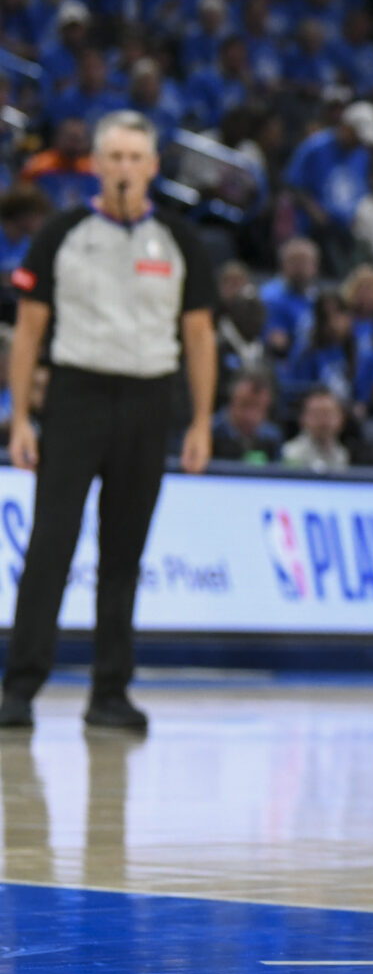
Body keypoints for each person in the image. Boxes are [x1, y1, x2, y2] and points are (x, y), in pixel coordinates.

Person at [0, 111, 218, 733]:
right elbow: (29, 332)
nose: (124, 168)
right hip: (75, 397)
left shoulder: (179, 241)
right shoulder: (63, 233)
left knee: (125, 553)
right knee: (50, 545)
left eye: (135, 158)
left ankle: (110, 693)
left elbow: (199, 337)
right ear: (96, 165)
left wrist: (200, 420)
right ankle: (19, 688)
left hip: (149, 401)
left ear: (153, 167)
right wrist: (21, 417)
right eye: (114, 157)